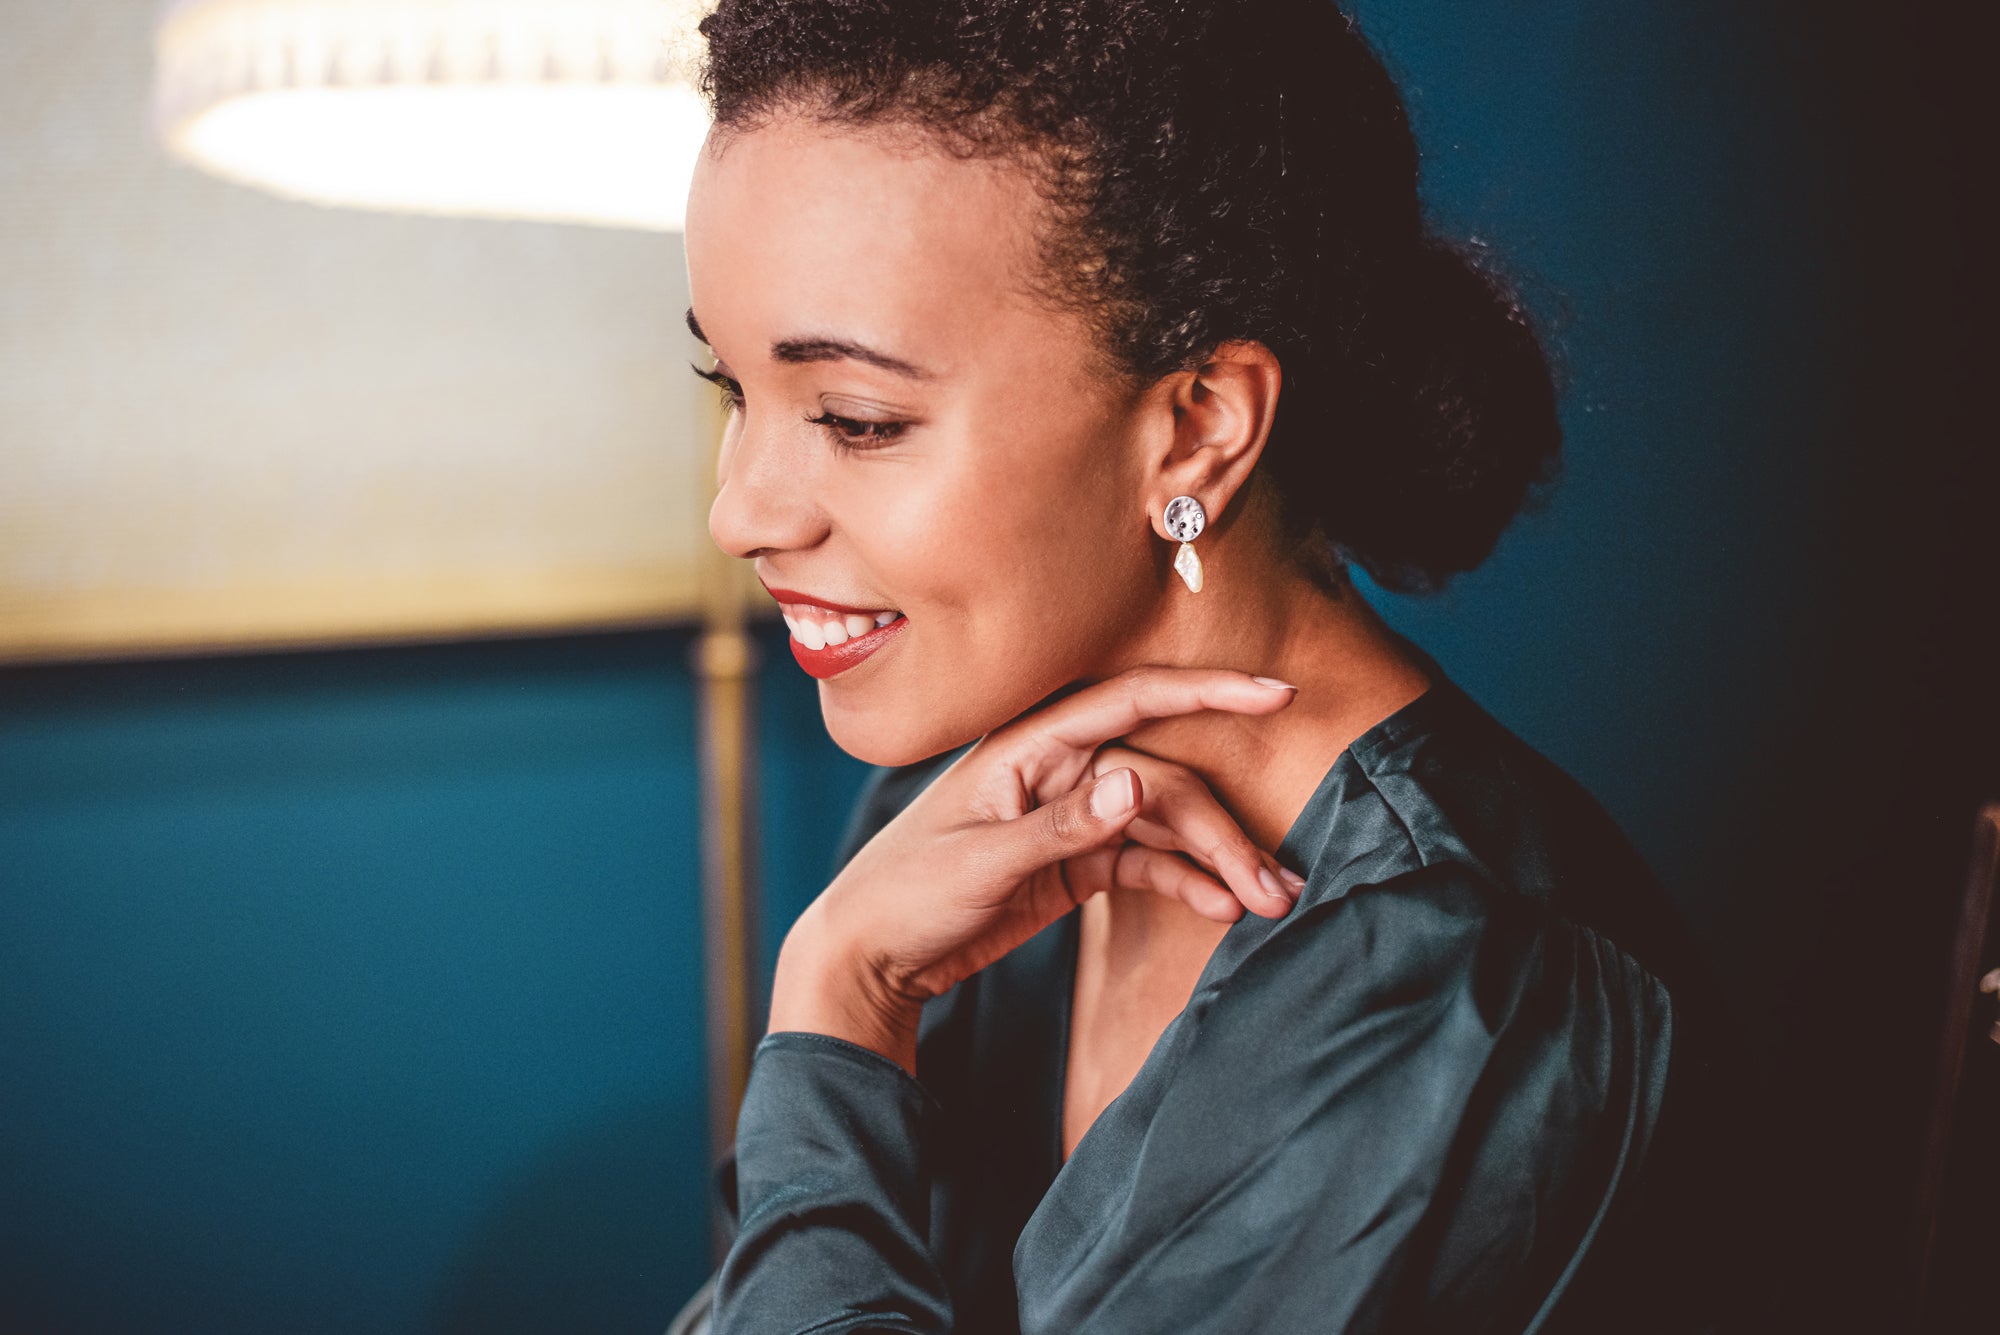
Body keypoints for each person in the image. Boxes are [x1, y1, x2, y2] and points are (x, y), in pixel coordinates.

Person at [677, 1, 1744, 1331]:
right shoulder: (966, 827)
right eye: (731, 391)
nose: (740, 514)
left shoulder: (1460, 988)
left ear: (1196, 430)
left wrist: (837, 1009)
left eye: (855, 420)